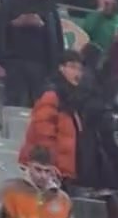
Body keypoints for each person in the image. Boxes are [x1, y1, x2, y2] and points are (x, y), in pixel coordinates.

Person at [0, 0, 63, 107]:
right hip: (13, 61)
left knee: (39, 106)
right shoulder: (7, 0)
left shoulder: (48, 7)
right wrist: (15, 23)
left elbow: (56, 38)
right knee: (14, 104)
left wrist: (41, 25)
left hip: (40, 64)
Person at [20, 51, 84, 188]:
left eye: (79, 69)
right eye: (72, 67)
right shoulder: (52, 94)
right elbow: (43, 134)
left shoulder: (72, 98)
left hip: (62, 170)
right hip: (47, 171)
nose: (77, 73)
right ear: (61, 68)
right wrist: (48, 166)